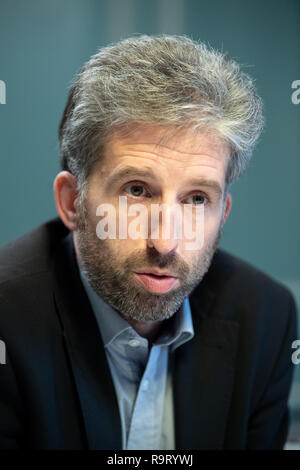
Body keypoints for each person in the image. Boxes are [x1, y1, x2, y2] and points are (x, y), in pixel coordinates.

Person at [0, 35, 297, 450]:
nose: (165, 242)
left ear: (222, 214)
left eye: (196, 199)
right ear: (73, 202)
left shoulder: (266, 318)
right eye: (137, 190)